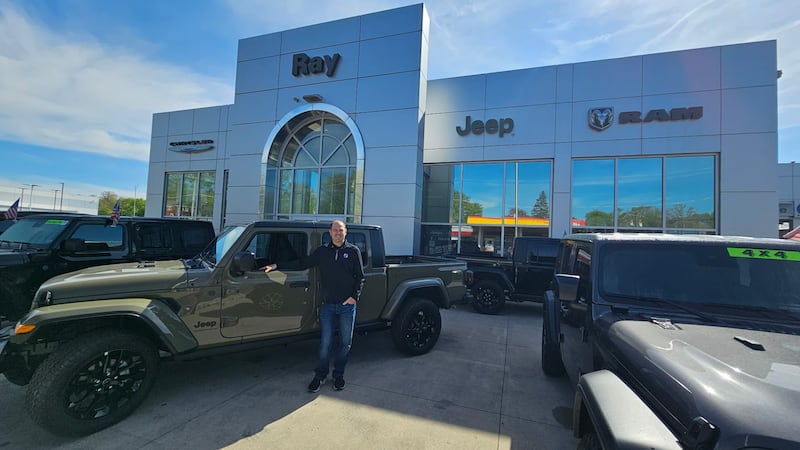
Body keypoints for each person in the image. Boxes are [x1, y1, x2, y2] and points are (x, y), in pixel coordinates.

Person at [264, 220, 365, 392]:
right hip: (328, 306)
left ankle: (338, 375)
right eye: (335, 230)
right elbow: (302, 263)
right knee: (325, 343)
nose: (338, 233)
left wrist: (354, 297)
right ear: (330, 232)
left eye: (341, 230)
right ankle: (320, 376)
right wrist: (277, 265)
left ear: (346, 232)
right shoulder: (322, 252)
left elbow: (360, 277)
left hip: (347, 306)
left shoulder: (353, 251)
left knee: (345, 343)